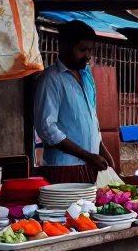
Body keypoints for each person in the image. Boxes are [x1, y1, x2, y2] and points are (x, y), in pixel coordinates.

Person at [33, 20, 115, 183]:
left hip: (89, 167)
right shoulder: (51, 79)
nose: (88, 56)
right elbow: (47, 129)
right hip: (64, 169)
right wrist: (86, 155)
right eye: (82, 50)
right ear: (63, 47)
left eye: (90, 50)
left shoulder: (87, 76)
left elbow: (92, 121)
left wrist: (103, 152)